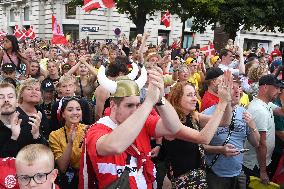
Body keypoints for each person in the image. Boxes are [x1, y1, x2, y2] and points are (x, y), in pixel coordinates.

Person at [79, 64, 233, 188]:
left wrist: (159, 100)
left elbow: (173, 127)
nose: (135, 110)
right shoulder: (97, 129)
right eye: (129, 105)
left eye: (137, 104)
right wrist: (148, 103)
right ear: (113, 105)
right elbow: (115, 146)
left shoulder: (144, 121)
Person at [163, 79, 233, 189]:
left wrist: (227, 100)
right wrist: (222, 102)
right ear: (177, 98)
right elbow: (204, 138)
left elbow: (225, 121)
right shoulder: (171, 121)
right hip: (181, 183)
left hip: (198, 180)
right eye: (189, 95)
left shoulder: (194, 116)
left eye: (194, 94)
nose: (195, 98)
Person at [202, 78, 260, 189]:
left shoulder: (244, 113)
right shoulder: (207, 114)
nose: (237, 91)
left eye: (238, 88)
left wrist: (252, 125)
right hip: (215, 174)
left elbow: (256, 143)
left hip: (239, 173)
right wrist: (220, 149)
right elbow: (199, 146)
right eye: (232, 88)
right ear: (221, 92)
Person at [243, 74, 284, 185]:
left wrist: (282, 95)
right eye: (276, 87)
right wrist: (263, 171)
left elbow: (282, 111)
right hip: (255, 165)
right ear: (265, 87)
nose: (279, 91)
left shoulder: (266, 104)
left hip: (260, 162)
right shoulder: (259, 110)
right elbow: (261, 144)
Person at [49, 97, 87, 189]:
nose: (75, 112)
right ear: (63, 114)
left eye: (78, 109)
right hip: (68, 182)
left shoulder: (89, 129)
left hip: (87, 179)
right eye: (70, 110)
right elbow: (62, 168)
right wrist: (70, 143)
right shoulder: (55, 135)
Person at [0, 83, 44, 158]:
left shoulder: (30, 123)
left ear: (17, 102)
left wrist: (37, 136)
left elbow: (42, 156)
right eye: (1, 97)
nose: (6, 100)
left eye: (10, 97)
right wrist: (14, 137)